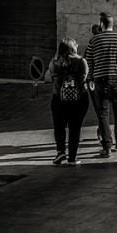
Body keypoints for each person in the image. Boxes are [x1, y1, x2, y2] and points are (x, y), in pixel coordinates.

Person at [86, 12, 117, 158]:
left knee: (103, 113)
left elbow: (89, 61)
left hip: (101, 79)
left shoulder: (94, 40)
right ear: (112, 23)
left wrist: (90, 78)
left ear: (101, 24)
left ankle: (106, 146)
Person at [48, 37, 90, 166]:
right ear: (73, 47)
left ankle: (60, 151)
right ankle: (72, 157)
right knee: (74, 128)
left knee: (59, 126)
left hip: (59, 99)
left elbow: (53, 80)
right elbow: (83, 79)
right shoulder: (81, 61)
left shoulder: (54, 63)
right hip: (79, 99)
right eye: (76, 44)